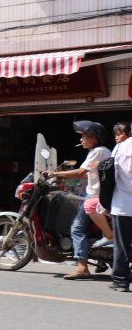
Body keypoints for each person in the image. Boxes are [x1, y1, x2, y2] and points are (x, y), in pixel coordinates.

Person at [46, 121, 111, 280]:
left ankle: (82, 267)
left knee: (76, 229)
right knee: (90, 229)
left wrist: (55, 174)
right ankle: (101, 260)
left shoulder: (98, 151)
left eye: (84, 136)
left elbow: (81, 172)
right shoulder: (102, 151)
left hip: (94, 197)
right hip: (98, 196)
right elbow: (89, 174)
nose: (81, 139)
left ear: (94, 137)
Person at [109, 125, 132, 293]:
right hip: (122, 203)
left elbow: (110, 175)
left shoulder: (120, 148)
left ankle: (120, 280)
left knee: (122, 245)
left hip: (123, 204)